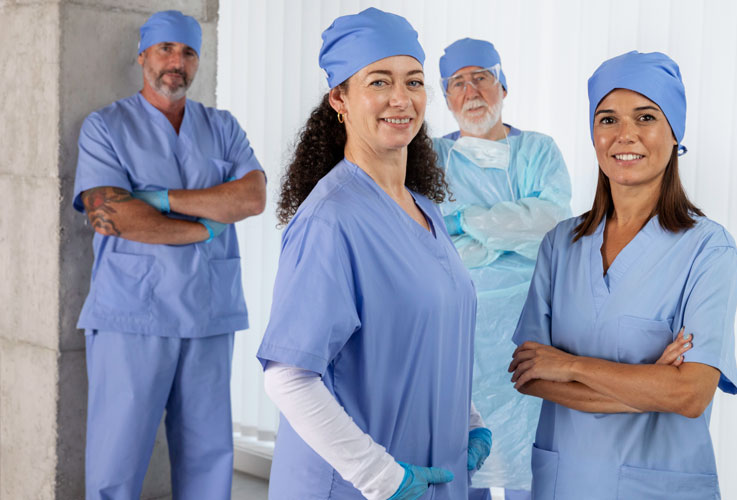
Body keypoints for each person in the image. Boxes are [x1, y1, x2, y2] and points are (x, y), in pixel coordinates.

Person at [256, 8, 490, 500]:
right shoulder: (331, 220)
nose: (400, 99)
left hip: (432, 476)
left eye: (414, 81)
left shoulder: (425, 210)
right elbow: (290, 377)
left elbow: (432, 331)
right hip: (357, 487)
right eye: (379, 81)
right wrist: (380, 476)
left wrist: (469, 421)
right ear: (339, 98)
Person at [508, 51, 737, 499]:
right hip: (565, 484)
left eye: (646, 116)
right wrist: (651, 384)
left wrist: (570, 366)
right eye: (608, 119)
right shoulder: (560, 244)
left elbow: (691, 395)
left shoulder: (709, 251)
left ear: (674, 133)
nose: (625, 135)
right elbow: (528, 375)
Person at [71, 10, 266, 499]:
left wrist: (160, 199)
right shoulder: (106, 127)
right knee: (116, 463)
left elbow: (252, 197)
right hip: (131, 314)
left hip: (208, 313)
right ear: (143, 56)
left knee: (209, 462)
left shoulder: (222, 127)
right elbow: (109, 214)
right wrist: (203, 230)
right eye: (165, 49)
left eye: (188, 52)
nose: (176, 61)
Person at [431, 38, 572, 497]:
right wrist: (508, 229)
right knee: (459, 452)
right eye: (458, 82)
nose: (471, 90)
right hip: (454, 327)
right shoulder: (429, 159)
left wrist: (464, 221)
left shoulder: (538, 151)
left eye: (481, 77)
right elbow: (431, 247)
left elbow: (549, 225)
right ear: (446, 96)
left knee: (528, 460)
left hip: (527, 323)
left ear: (503, 86)